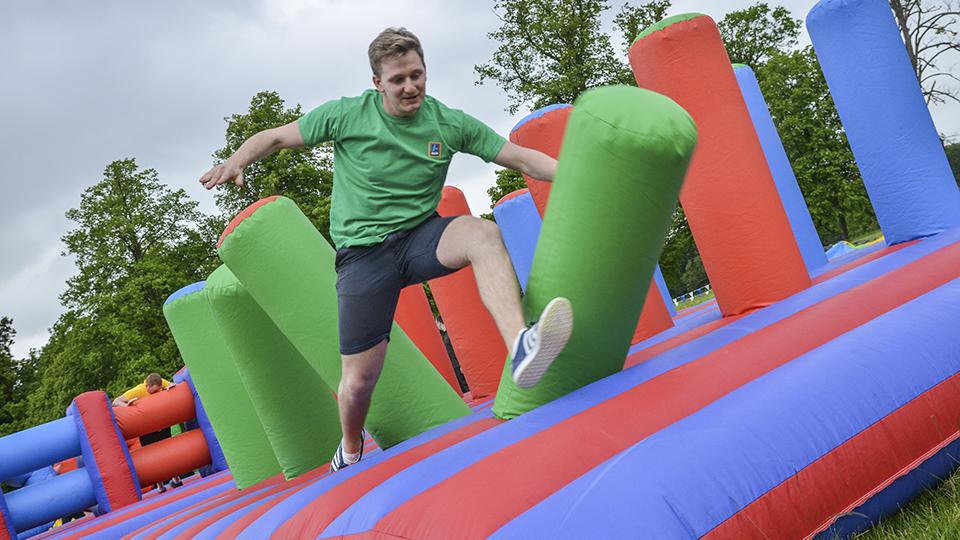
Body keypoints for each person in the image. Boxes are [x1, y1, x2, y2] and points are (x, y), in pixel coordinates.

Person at [200, 27, 573, 473]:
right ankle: (351, 444)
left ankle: (521, 346)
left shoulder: (448, 123)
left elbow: (520, 157)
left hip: (421, 237)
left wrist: (574, 170)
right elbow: (277, 137)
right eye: (398, 79)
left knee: (483, 236)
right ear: (378, 82)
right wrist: (238, 159)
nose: (410, 86)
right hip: (363, 256)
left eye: (417, 75)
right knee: (358, 383)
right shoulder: (347, 115)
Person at [113, 373, 183, 492]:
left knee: (168, 451)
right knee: (152, 457)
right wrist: (126, 405)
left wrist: (170, 388)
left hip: (161, 424)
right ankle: (160, 485)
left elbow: (172, 385)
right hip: (146, 429)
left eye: (158, 390)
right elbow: (116, 401)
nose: (156, 393)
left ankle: (176, 478)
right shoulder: (138, 390)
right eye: (154, 391)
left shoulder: (160, 383)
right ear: (147, 386)